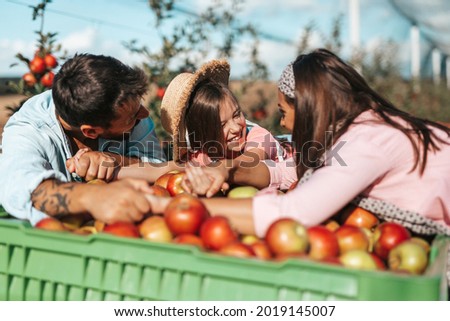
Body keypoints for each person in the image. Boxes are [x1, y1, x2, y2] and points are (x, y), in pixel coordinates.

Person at [147, 48, 450, 239]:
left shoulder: (365, 142)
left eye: (283, 112)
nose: (282, 124)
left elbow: (291, 212)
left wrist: (166, 207)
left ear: (308, 108)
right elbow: (280, 173)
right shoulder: (363, 128)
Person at [0, 53, 166, 225]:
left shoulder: (128, 110)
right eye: (132, 118)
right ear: (91, 132)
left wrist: (113, 160)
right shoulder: (28, 131)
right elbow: (23, 189)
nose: (145, 114)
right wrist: (94, 198)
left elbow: (156, 164)